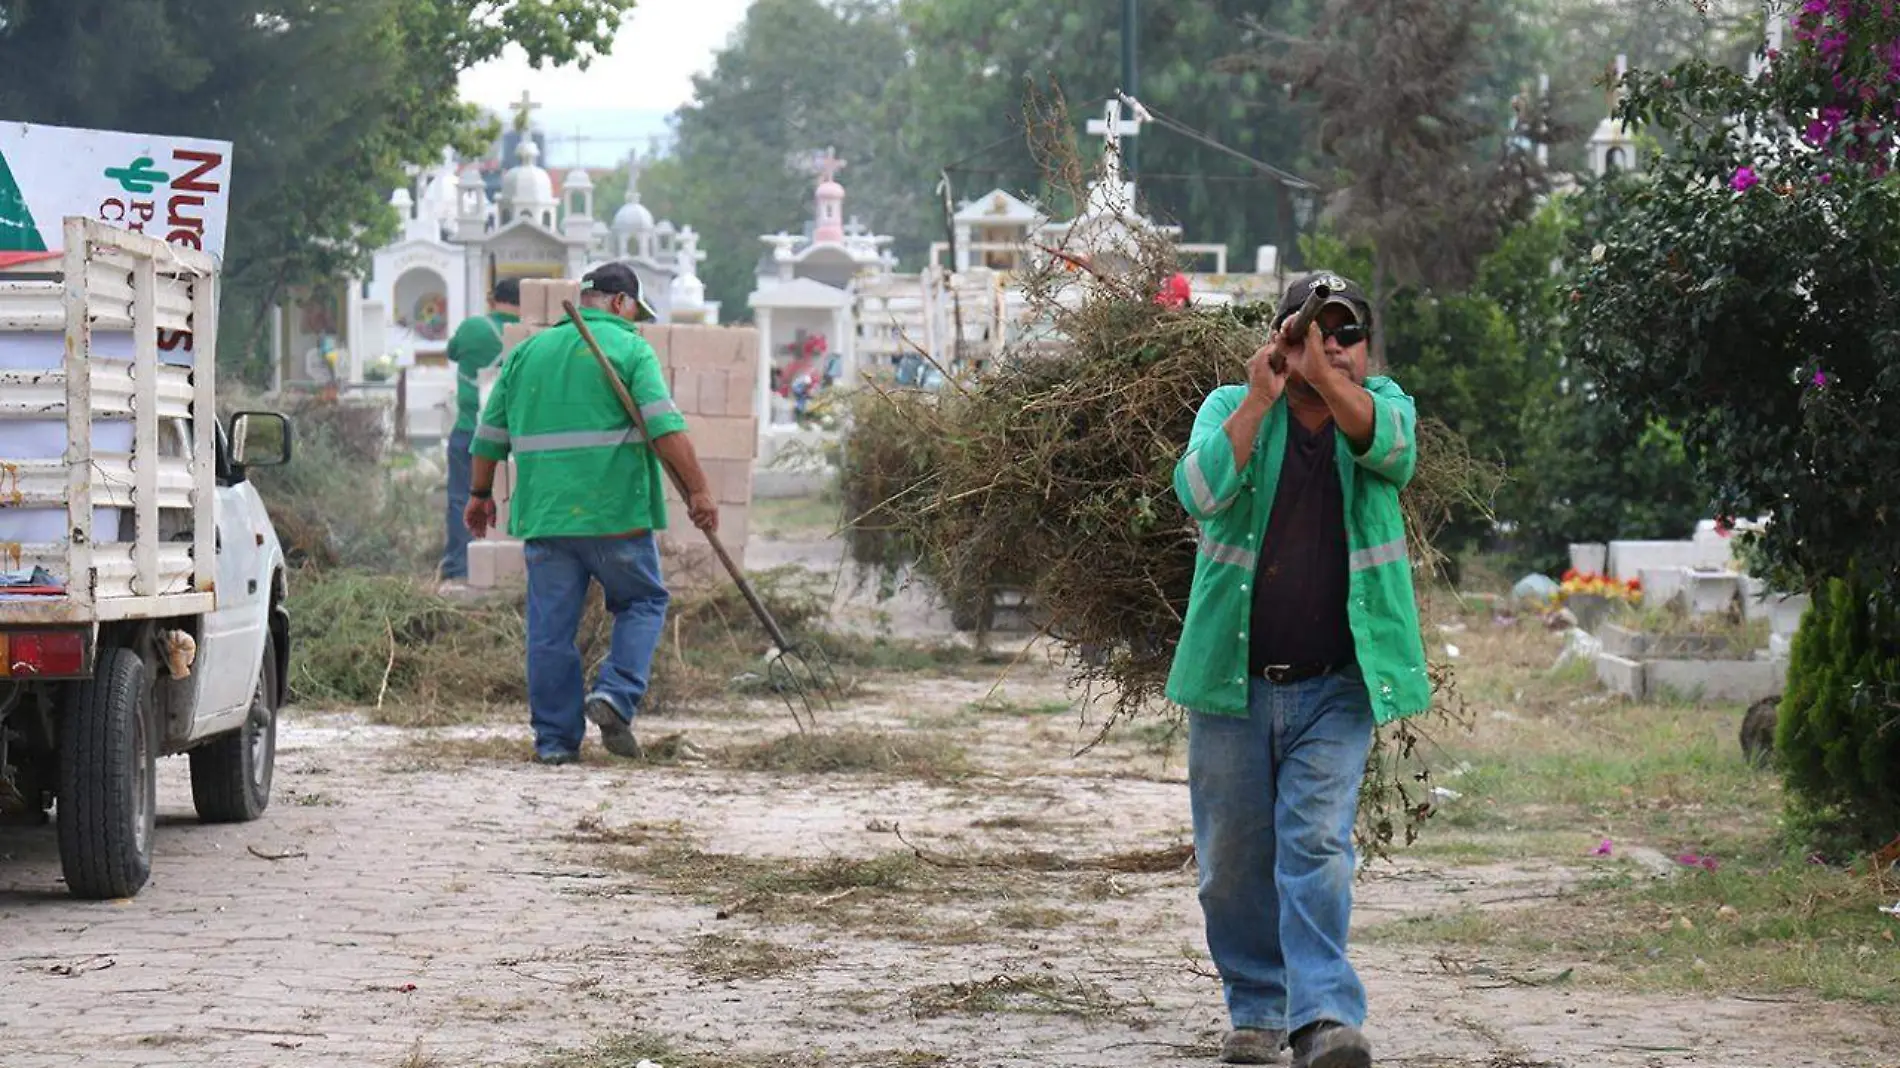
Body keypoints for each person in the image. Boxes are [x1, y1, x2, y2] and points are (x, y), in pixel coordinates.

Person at [1166, 272, 1430, 1068]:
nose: (1333, 347)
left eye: (1347, 334)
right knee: (1233, 863)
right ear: (1281, 338)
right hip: (1230, 682)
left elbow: (1394, 453)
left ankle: (1322, 1020)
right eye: (1316, 331)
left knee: (1314, 845)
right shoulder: (1229, 407)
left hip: (1337, 685)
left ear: (1366, 348)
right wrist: (1258, 399)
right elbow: (1199, 490)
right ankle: (1256, 1011)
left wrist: (1323, 379)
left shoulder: (1385, 407)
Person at [464, 263, 718, 765]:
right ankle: (616, 694)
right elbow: (665, 428)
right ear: (621, 303)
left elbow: (489, 435)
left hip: (547, 516)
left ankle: (556, 743)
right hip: (615, 514)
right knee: (643, 601)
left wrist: (479, 494)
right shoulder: (627, 348)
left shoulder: (527, 354)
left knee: (549, 631)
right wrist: (699, 492)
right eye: (634, 312)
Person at [439, 278, 521, 591]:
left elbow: (453, 351)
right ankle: (511, 571)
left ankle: (460, 568)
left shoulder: (474, 328)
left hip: (469, 430)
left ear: (492, 299)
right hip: (516, 437)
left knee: (463, 497)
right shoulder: (535, 332)